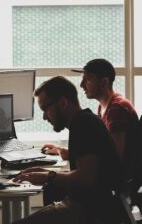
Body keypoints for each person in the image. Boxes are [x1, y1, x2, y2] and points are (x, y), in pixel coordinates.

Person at [13, 76, 123, 224]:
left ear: (63, 103)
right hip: (92, 207)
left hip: (90, 211)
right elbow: (88, 172)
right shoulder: (85, 120)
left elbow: (86, 177)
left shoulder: (83, 124)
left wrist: (48, 177)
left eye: (45, 109)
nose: (45, 117)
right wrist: (45, 173)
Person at [43, 59, 139, 178]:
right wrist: (72, 153)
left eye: (87, 79)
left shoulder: (116, 109)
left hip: (119, 185)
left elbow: (115, 157)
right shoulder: (104, 107)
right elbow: (103, 150)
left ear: (103, 83)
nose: (82, 84)